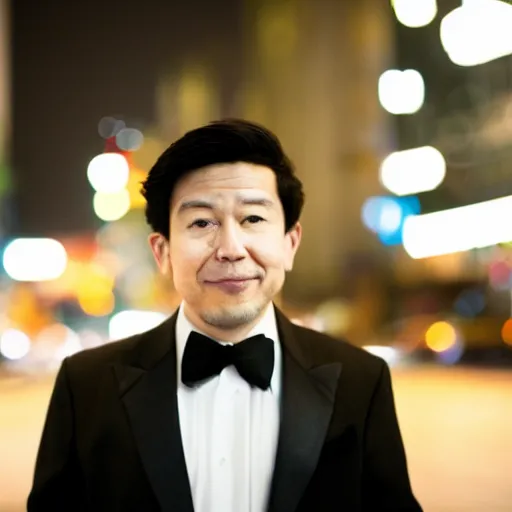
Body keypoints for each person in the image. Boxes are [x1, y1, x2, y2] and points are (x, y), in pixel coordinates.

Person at [28, 119, 422, 512]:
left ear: (290, 243)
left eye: (253, 218)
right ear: (162, 251)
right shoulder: (85, 387)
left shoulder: (361, 382)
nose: (231, 249)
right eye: (202, 222)